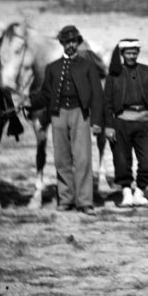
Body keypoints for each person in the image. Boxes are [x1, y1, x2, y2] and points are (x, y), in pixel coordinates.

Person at [28, 25, 104, 214]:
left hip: (81, 113)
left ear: (78, 43)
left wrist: (96, 122)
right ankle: (65, 199)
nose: (70, 45)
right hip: (58, 114)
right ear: (61, 44)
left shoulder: (88, 66)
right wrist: (28, 102)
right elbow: (46, 94)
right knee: (62, 159)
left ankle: (85, 201)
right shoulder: (52, 68)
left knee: (83, 158)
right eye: (66, 41)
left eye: (73, 41)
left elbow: (97, 95)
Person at [103, 39, 148, 208]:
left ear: (138, 53)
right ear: (122, 55)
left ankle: (140, 193)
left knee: (147, 162)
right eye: (128, 53)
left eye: (134, 53)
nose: (131, 56)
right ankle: (127, 193)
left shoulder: (145, 71)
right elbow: (107, 103)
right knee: (122, 161)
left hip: (143, 123)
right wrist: (108, 126)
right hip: (121, 122)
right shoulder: (114, 74)